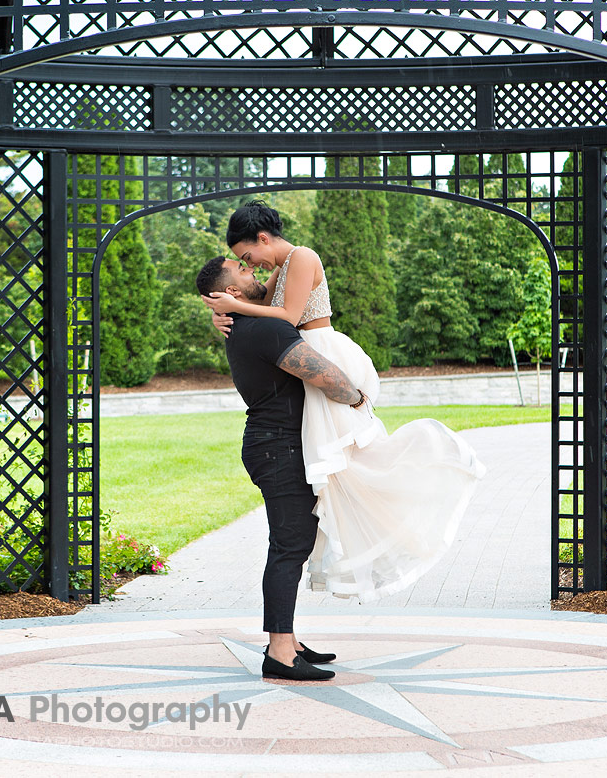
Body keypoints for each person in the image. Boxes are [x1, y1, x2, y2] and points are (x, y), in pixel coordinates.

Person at [202, 200, 486, 604]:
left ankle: (417, 479)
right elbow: (251, 308)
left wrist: (235, 305)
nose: (253, 265)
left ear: (263, 238)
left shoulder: (302, 257)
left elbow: (287, 314)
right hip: (303, 352)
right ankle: (348, 522)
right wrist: (222, 315)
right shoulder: (279, 269)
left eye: (249, 256)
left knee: (348, 453)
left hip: (324, 350)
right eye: (244, 262)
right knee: (336, 467)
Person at [195, 255, 370, 681]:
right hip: (279, 449)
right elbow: (323, 375)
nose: (253, 271)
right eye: (244, 271)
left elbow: (287, 268)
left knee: (292, 543)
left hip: (273, 445)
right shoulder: (266, 327)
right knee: (289, 546)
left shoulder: (246, 322)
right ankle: (279, 652)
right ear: (232, 291)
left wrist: (220, 309)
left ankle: (288, 640)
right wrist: (357, 397)